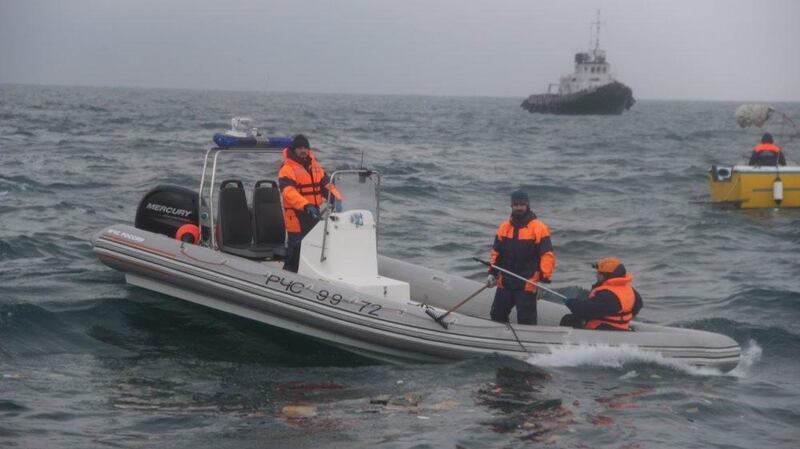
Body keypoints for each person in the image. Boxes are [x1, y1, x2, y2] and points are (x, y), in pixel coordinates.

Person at [486, 190, 555, 325]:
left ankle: (527, 343)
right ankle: (501, 341)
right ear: (511, 206)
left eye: (521, 204)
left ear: (527, 205)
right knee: (496, 315)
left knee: (526, 320)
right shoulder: (504, 227)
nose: (518, 207)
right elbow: (496, 253)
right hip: (505, 281)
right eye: (515, 204)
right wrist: (492, 273)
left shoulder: (539, 228)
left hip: (527, 283)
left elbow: (547, 256)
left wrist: (543, 280)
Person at [278, 134, 341, 272]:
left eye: (306, 147)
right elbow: (289, 192)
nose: (303, 150)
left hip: (314, 214)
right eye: (300, 148)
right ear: (294, 149)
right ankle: (287, 275)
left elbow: (326, 186)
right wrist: (305, 205)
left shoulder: (316, 167)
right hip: (296, 215)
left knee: (314, 247)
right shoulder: (287, 169)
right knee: (296, 250)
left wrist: (337, 198)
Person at [561, 257, 643, 331]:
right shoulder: (631, 290)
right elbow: (638, 306)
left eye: (599, 273)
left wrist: (570, 302)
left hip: (603, 328)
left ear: (608, 275)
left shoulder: (607, 294)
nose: (597, 275)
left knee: (569, 319)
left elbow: (585, 310)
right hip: (621, 328)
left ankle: (565, 343)